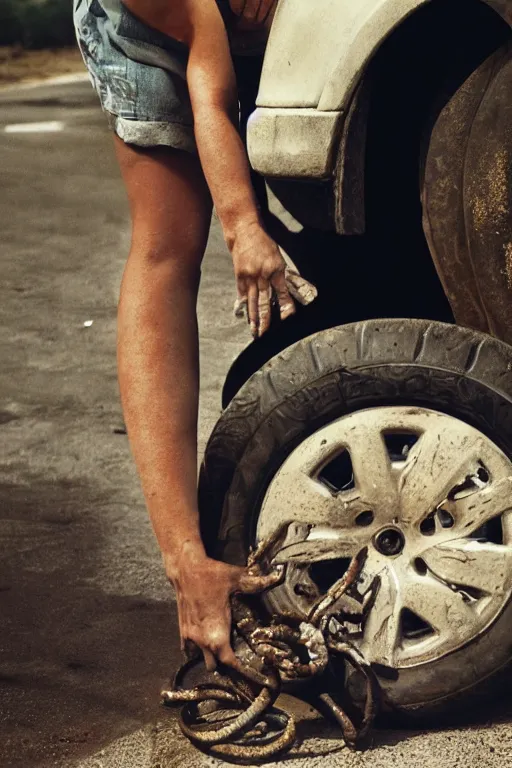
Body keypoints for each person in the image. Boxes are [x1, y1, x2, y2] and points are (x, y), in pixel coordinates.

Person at [73, 0, 296, 673]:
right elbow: (211, 93)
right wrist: (243, 226)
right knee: (170, 244)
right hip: (158, 27)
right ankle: (188, 572)